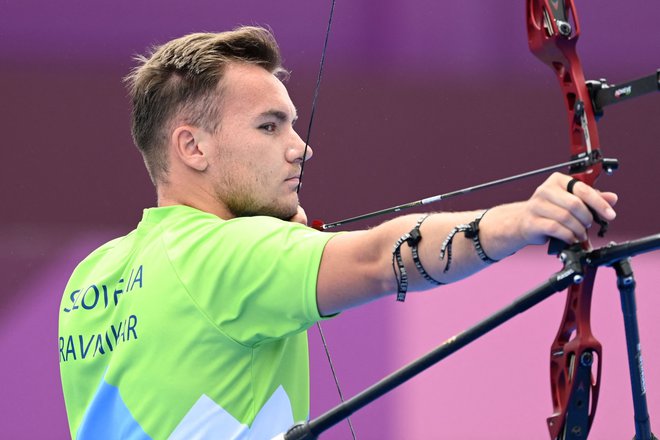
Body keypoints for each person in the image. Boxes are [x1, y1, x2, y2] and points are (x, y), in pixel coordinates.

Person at [58, 26, 618, 439]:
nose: (300, 147)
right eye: (269, 126)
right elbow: (379, 259)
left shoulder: (89, 280)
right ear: (192, 147)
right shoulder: (227, 256)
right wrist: (517, 222)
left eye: (293, 125)